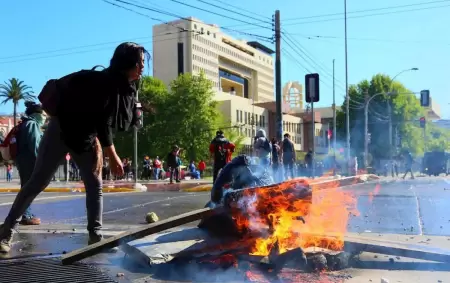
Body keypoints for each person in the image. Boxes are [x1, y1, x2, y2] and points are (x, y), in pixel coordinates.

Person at [0, 42, 149, 253]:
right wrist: (112, 154)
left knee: (94, 184)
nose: (143, 67)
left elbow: (108, 121)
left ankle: (95, 237)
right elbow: (103, 122)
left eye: (144, 62)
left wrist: (97, 141)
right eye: (139, 62)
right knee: (37, 182)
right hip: (61, 129)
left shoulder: (127, 86)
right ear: (127, 63)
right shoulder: (105, 82)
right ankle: (6, 232)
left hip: (85, 136)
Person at [15, 101, 46, 226]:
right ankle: (25, 215)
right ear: (36, 114)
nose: (44, 117)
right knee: (28, 189)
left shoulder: (26, 123)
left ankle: (26, 213)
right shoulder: (32, 124)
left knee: (27, 188)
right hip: (29, 161)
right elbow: (35, 146)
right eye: (43, 115)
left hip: (24, 161)